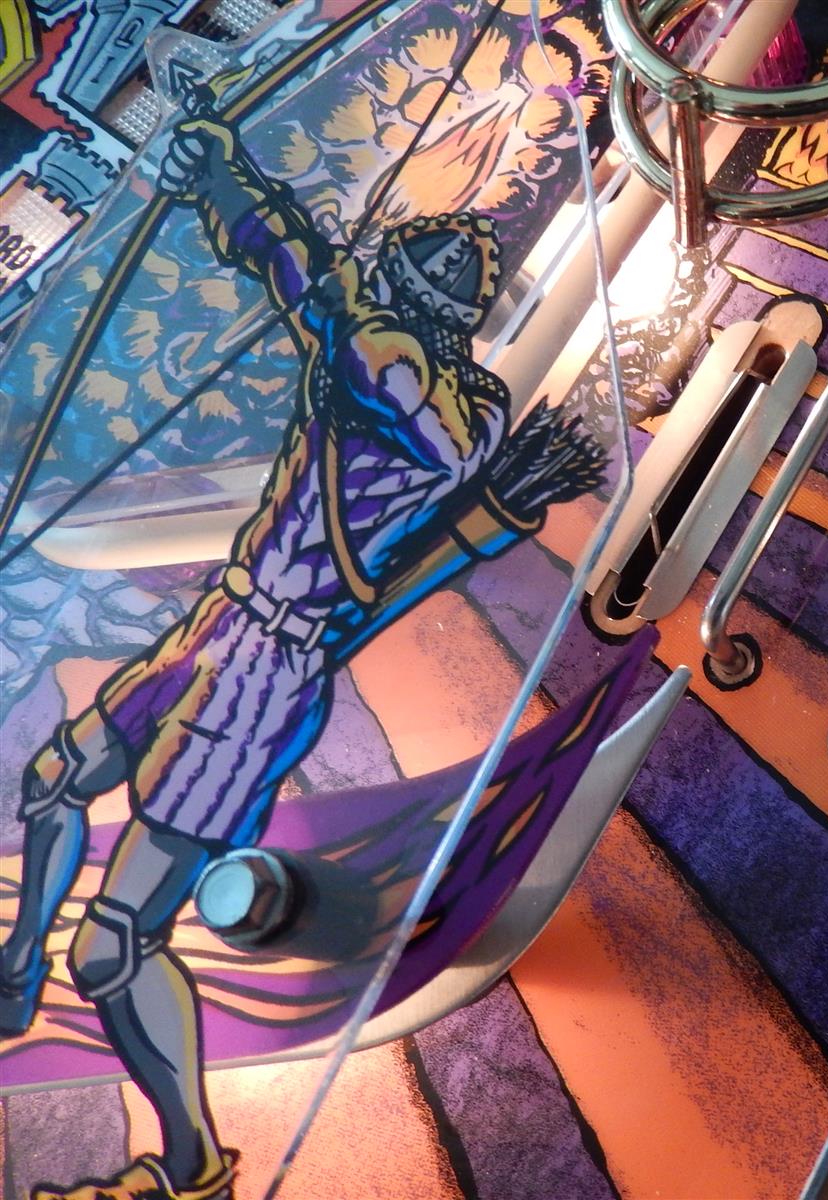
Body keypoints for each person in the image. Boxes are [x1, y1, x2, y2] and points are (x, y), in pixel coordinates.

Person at [0, 114, 601, 1200]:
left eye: (442, 273)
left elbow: (328, 300)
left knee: (114, 948)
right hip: (219, 627)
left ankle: (191, 1170)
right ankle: (11, 973)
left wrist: (239, 191)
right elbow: (311, 281)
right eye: (434, 259)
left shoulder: (432, 390)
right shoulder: (397, 364)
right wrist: (227, 182)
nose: (438, 271)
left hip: (260, 675)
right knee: (53, 780)